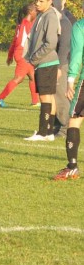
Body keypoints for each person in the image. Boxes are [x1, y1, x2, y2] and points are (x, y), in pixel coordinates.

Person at [24, 0, 59, 141]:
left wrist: (34, 58)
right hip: (44, 63)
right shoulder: (42, 15)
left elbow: (51, 42)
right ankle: (49, 132)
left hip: (46, 62)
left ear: (50, 2)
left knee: (45, 98)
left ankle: (42, 132)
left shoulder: (50, 16)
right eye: (36, 0)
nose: (37, 3)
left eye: (41, 1)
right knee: (49, 97)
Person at [54, 14, 84, 180]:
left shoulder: (80, 26)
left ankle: (72, 167)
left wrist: (70, 80)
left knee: (74, 120)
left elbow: (77, 54)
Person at [0, 4, 39, 108]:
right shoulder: (27, 24)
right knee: (19, 78)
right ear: (30, 12)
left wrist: (10, 56)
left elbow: (14, 41)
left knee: (33, 76)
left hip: (21, 54)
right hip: (24, 55)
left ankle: (35, 101)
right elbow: (21, 41)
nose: (37, 12)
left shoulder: (21, 24)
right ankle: (0, 98)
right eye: (35, 10)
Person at [53, 0, 72, 138]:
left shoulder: (66, 20)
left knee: (61, 96)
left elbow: (65, 46)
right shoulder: (51, 18)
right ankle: (56, 125)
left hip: (63, 62)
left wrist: (60, 65)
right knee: (52, 96)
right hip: (51, 62)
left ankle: (64, 128)